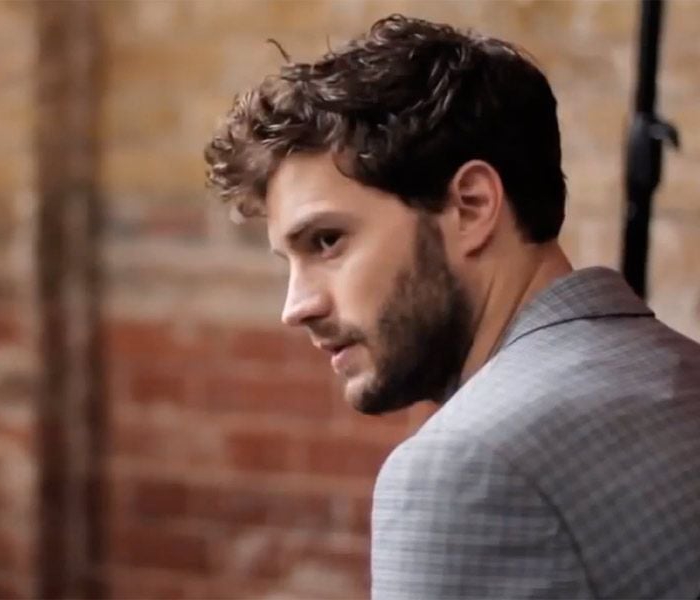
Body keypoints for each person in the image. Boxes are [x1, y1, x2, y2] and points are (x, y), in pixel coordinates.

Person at [203, 14, 700, 599]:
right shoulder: (683, 374)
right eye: (287, 260)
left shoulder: (465, 469)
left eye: (327, 241)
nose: (296, 307)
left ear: (471, 206)